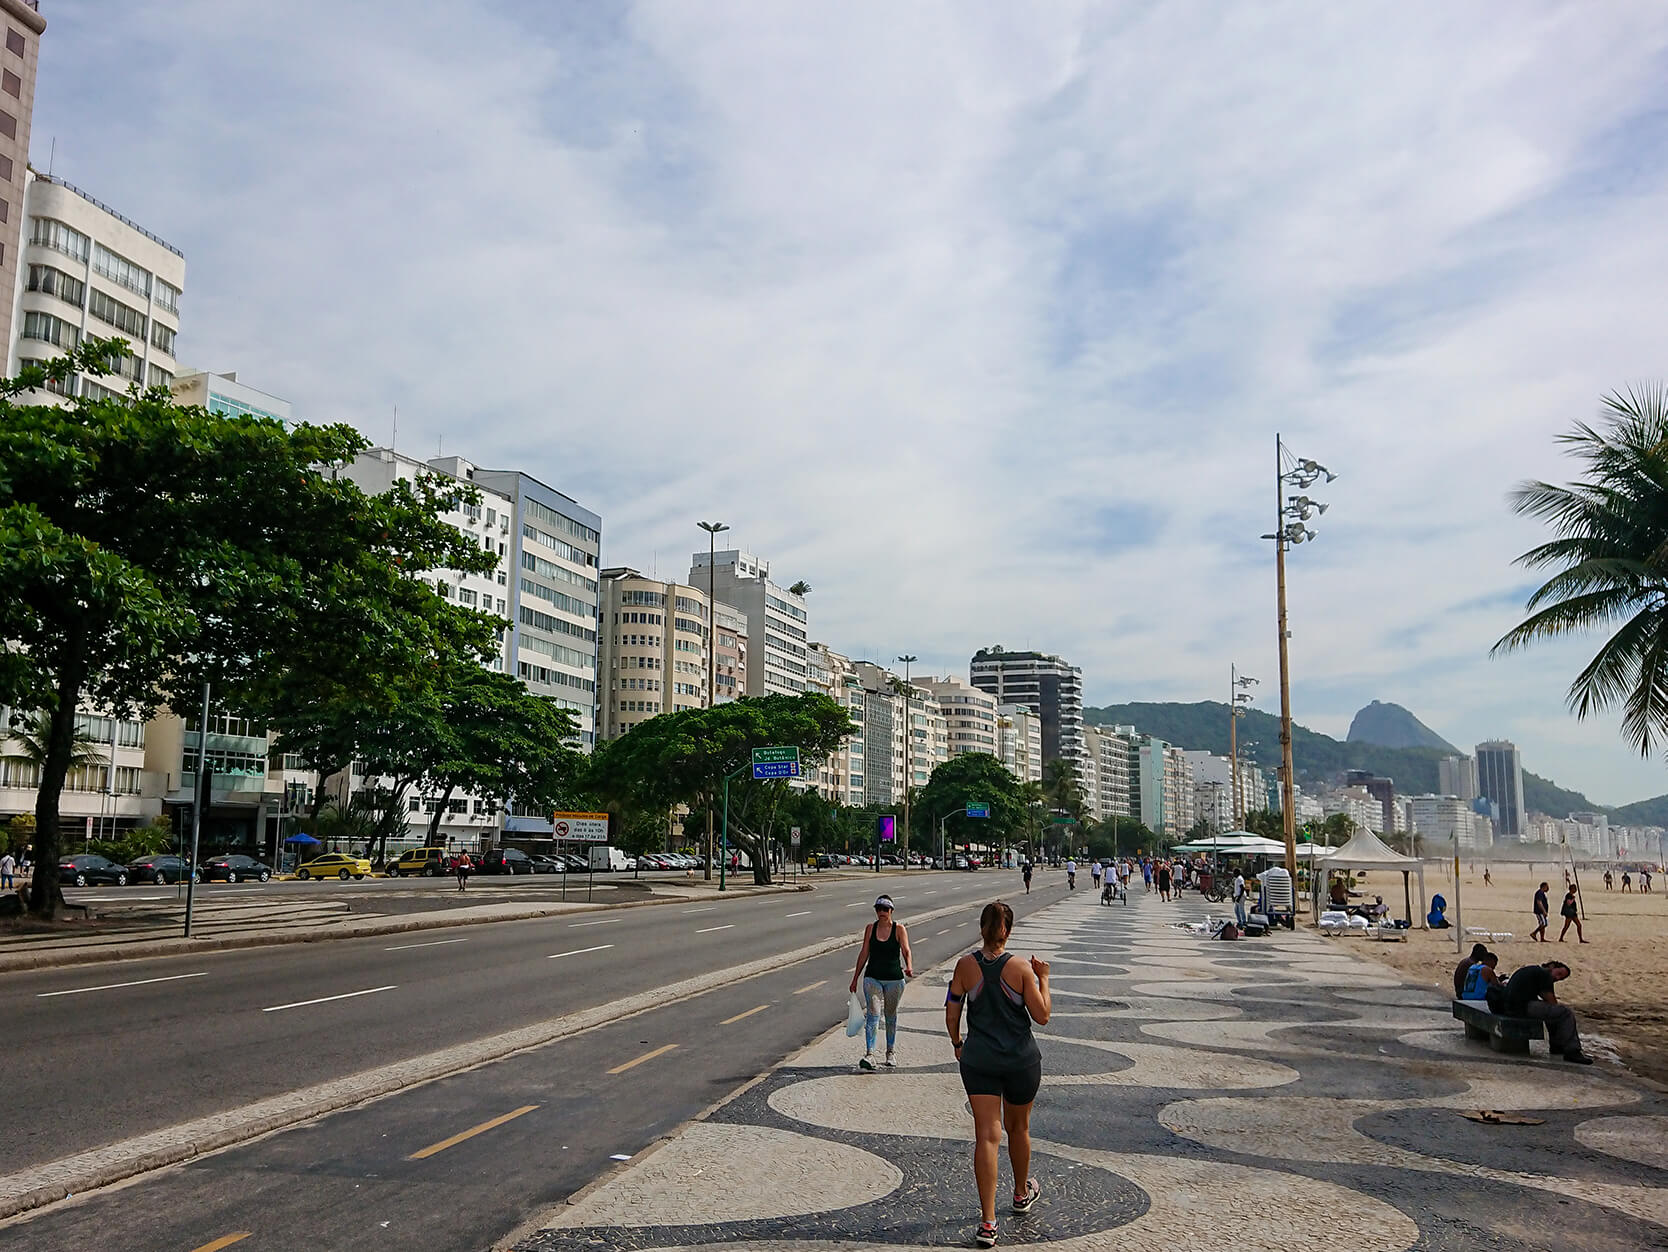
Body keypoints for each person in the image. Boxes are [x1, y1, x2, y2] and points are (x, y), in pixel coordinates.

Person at [945, 901, 1051, 1248]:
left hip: (980, 1061)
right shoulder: (1020, 968)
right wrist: (1044, 979)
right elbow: (1042, 1015)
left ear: (981, 928)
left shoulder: (964, 966)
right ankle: (1021, 1194)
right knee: (1018, 1128)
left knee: (986, 1137)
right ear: (1008, 930)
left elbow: (952, 1013)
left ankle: (988, 1222)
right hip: (1020, 1060)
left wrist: (959, 1043)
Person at [849, 894, 913, 1071]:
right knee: (873, 1014)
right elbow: (864, 954)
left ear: (891, 910)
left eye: (885, 909)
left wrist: (909, 966)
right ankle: (869, 1054)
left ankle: (890, 1052)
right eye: (878, 909)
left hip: (894, 979)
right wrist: (855, 978)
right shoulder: (870, 928)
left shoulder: (899, 929)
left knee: (890, 1015)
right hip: (873, 978)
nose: (882, 912)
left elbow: (906, 950)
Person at [1501, 960, 1593, 1064]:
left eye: (1561, 979)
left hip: (1510, 1007)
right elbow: (1551, 1001)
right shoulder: (1544, 974)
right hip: (1522, 1007)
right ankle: (1572, 1050)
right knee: (1565, 1013)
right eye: (1559, 974)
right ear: (1552, 966)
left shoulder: (1533, 970)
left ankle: (1556, 1046)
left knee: (1552, 1013)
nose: (1557, 978)